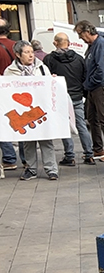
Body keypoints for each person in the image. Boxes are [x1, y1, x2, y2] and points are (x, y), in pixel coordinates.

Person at [3, 41, 58, 181]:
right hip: (22, 111)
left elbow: (48, 85)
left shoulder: (41, 67)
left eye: (31, 52)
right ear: (18, 55)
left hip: (40, 109)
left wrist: (52, 81)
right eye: (26, 52)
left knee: (46, 139)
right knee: (28, 141)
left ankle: (51, 169)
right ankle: (31, 169)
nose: (31, 55)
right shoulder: (10, 72)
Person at [43, 32, 96, 166]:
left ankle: (70, 156)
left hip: (60, 97)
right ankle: (89, 154)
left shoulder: (49, 59)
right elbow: (85, 77)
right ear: (69, 43)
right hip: (77, 96)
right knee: (81, 125)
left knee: (64, 127)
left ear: (55, 43)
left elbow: (46, 79)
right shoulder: (79, 59)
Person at [74, 20, 104, 162]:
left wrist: (88, 83)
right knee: (92, 117)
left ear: (87, 31)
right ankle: (98, 148)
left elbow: (101, 70)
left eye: (80, 34)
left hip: (101, 86)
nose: (80, 38)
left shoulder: (100, 44)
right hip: (93, 86)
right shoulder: (92, 46)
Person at [0, 18, 21, 172]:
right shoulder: (16, 46)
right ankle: (25, 159)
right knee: (20, 123)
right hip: (16, 91)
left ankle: (9, 158)